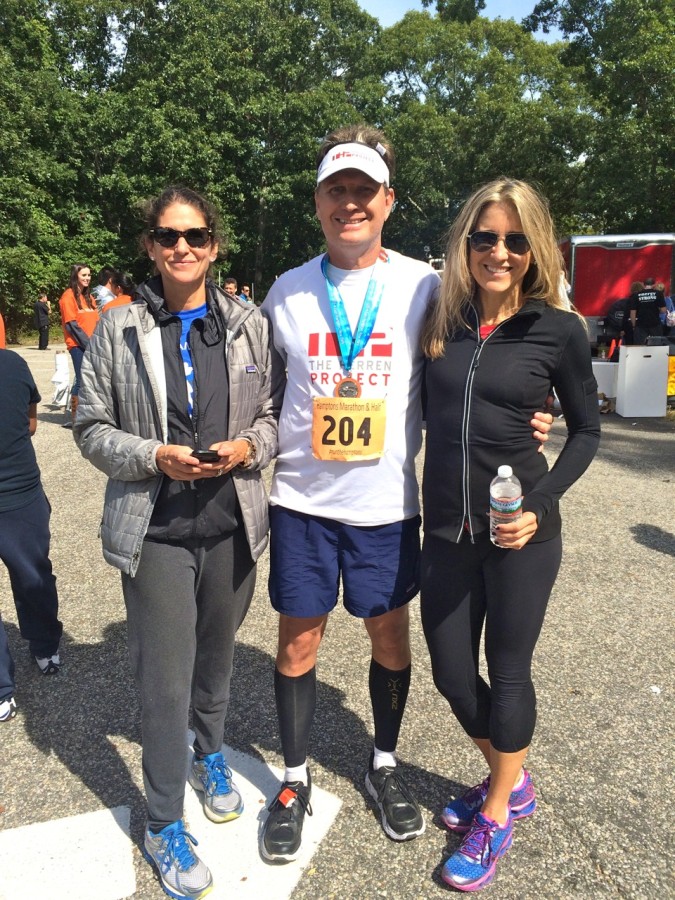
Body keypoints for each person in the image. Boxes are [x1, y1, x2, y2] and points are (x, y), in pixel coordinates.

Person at [259, 126, 554, 863]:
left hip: (386, 507)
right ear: (318, 202)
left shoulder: (427, 284)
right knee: (298, 642)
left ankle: (382, 762)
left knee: (388, 637)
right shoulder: (287, 290)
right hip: (302, 499)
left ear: (387, 201)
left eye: (363, 190)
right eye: (336, 190)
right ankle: (292, 779)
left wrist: (530, 413)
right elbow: (259, 393)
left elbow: (482, 359)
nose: (349, 203)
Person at [74, 185, 283, 900]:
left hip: (230, 527)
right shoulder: (118, 327)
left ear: (214, 245)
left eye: (195, 236)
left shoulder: (250, 324)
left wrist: (248, 446)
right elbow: (90, 425)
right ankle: (163, 820)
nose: (182, 248)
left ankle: (210, 753)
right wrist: (152, 455)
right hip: (157, 530)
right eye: (167, 236)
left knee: (217, 664)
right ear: (150, 246)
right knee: (164, 683)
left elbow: (279, 415)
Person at [420, 178, 600, 892]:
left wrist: (542, 501)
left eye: (515, 240)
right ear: (465, 243)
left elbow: (585, 429)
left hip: (520, 533)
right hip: (444, 531)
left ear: (535, 249)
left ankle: (498, 808)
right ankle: (510, 774)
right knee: (452, 674)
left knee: (511, 669)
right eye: (485, 238)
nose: (499, 252)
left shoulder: (557, 329)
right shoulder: (440, 321)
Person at [0, 347, 63, 712]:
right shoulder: (12, 363)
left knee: (33, 577)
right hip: (20, 491)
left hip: (18, 491)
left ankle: (3, 688)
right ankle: (45, 647)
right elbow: (32, 423)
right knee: (33, 576)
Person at [58, 263, 99, 424]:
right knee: (82, 379)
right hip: (78, 346)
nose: (87, 278)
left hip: (92, 344)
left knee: (89, 379)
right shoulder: (68, 296)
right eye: (84, 275)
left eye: (89, 275)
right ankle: (76, 419)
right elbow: (71, 325)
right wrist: (88, 344)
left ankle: (86, 414)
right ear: (76, 276)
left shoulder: (89, 298)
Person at [629, 276, 667, 345]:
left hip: (641, 325)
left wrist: (634, 325)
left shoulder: (636, 295)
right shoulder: (658, 294)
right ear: (654, 285)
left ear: (643, 285)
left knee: (640, 346)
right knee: (656, 346)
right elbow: (663, 310)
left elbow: (632, 312)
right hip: (655, 324)